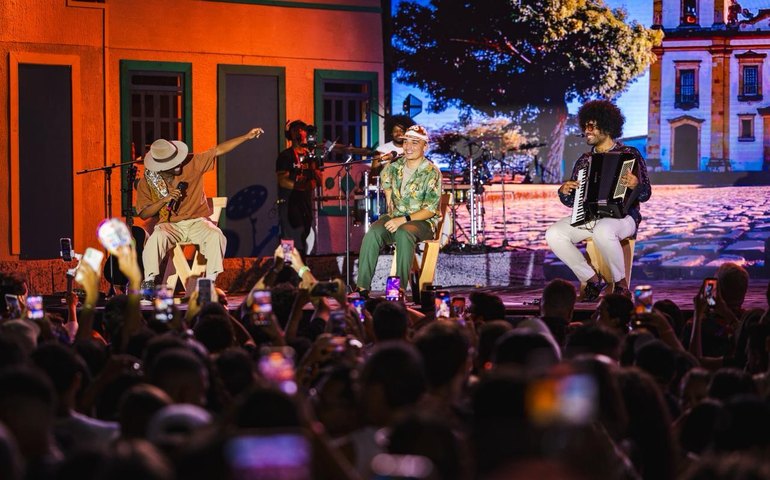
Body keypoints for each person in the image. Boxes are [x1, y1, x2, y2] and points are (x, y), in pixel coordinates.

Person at [545, 99, 651, 301]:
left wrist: (635, 185)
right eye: (585, 126)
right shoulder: (584, 160)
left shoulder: (630, 154)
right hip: (590, 217)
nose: (587, 130)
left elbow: (645, 194)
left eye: (592, 126)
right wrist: (565, 191)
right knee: (554, 234)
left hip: (624, 218)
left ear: (607, 126)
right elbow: (572, 203)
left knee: (604, 229)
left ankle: (621, 286)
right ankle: (592, 280)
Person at [136, 128, 263, 293]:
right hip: (169, 225)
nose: (178, 165)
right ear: (161, 167)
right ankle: (149, 284)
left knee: (216, 235)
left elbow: (218, 150)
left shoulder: (193, 162)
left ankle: (209, 283)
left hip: (196, 221)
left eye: (177, 160)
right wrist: (164, 200)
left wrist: (246, 136)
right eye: (172, 165)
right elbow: (144, 213)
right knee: (155, 240)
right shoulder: (149, 181)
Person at [355, 124, 442, 294]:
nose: (408, 147)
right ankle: (362, 288)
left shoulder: (432, 172)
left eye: (415, 143)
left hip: (422, 222)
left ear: (425, 146)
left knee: (404, 232)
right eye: (406, 142)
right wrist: (388, 194)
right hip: (395, 218)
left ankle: (398, 289)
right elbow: (384, 177)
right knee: (373, 233)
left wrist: (403, 219)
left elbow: (431, 210)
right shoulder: (396, 165)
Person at [276, 120, 321, 256]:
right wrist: (299, 185)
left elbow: (318, 180)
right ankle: (288, 265)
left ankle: (299, 267)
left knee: (303, 234)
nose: (299, 132)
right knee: (289, 237)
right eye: (295, 129)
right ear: (290, 134)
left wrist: (313, 177)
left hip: (305, 202)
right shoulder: (285, 156)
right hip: (289, 202)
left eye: (302, 129)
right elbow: (282, 180)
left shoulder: (310, 156)